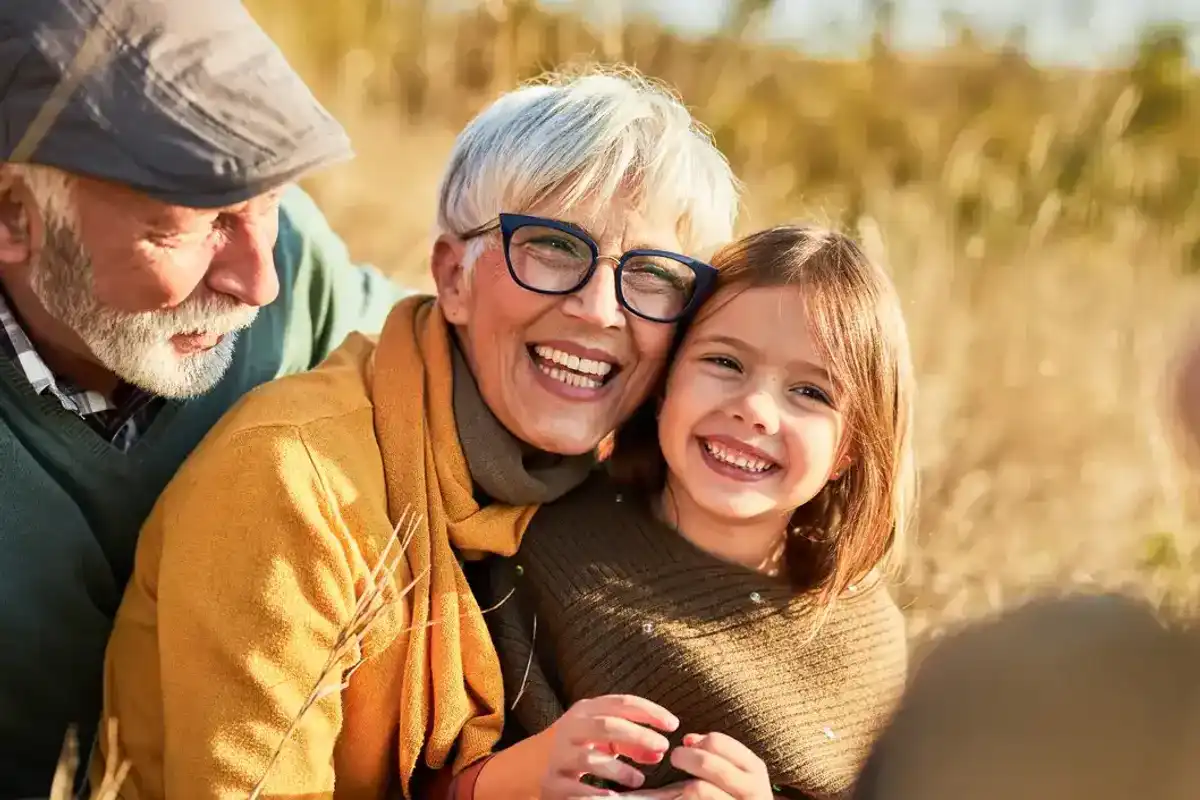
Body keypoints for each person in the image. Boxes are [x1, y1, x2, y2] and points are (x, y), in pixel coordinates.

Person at [96, 67, 740, 799]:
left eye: (655, 274)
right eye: (555, 247)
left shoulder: (620, 492)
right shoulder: (293, 486)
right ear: (452, 277)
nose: (599, 309)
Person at [0, 1, 410, 793]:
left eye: (271, 200)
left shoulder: (294, 274)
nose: (261, 280)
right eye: (192, 226)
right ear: (13, 214)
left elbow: (450, 374)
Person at [461, 225, 914, 800]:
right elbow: (413, 775)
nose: (754, 410)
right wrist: (517, 780)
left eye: (811, 393)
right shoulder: (541, 542)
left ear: (848, 449)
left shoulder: (863, 641)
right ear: (664, 380)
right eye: (725, 361)